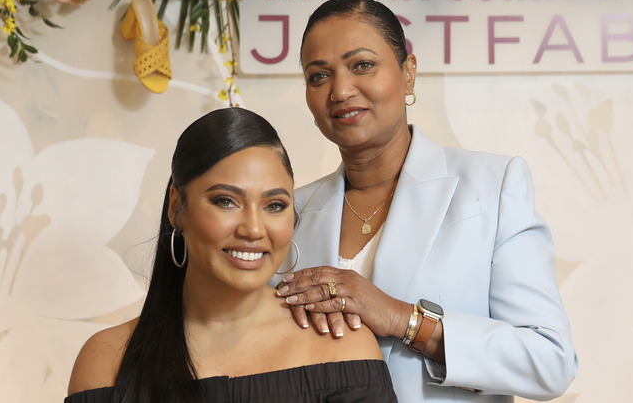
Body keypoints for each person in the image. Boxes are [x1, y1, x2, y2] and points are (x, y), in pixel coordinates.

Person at [274, 0, 578, 402]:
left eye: (362, 65)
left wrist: (404, 319)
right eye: (318, 76)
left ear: (409, 72)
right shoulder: (286, 212)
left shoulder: (492, 186)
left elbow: (550, 362)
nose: (341, 90)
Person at [65, 107, 397, 402]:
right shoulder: (104, 361)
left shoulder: (341, 347)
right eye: (226, 201)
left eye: (274, 205)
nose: (253, 229)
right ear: (177, 207)